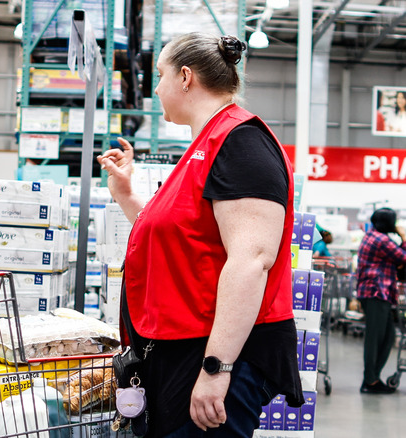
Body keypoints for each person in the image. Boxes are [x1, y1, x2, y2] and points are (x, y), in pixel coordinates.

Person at [97, 33, 303, 437]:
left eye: (160, 76)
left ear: (186, 77)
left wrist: (216, 368)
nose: (156, 88)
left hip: (216, 355)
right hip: (181, 349)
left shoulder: (241, 143)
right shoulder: (204, 146)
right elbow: (185, 241)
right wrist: (127, 195)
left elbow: (251, 260)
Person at [356, 207, 406, 394]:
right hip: (376, 293)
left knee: (387, 337)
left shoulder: (373, 236)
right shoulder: (381, 239)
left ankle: (373, 378)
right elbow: (402, 257)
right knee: (375, 338)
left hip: (376, 293)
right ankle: (370, 380)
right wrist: (404, 236)